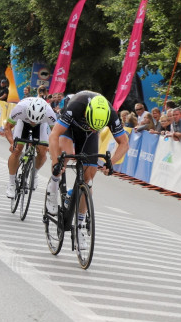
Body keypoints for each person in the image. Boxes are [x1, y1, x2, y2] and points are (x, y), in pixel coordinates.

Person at [46, 92, 130, 248]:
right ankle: (53, 187)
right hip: (69, 128)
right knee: (66, 154)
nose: (91, 127)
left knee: (89, 178)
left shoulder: (111, 114)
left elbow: (124, 143)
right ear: (87, 112)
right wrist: (56, 160)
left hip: (89, 136)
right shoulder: (76, 105)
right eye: (90, 123)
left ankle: (79, 227)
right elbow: (54, 135)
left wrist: (111, 162)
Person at [2, 96, 56, 199]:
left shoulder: (50, 114)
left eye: (35, 121)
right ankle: (11, 183)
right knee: (17, 150)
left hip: (42, 125)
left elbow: (55, 134)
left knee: (42, 152)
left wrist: (51, 146)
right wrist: (11, 143)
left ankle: (34, 173)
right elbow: (7, 127)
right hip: (23, 122)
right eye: (32, 120)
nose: (33, 123)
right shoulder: (20, 108)